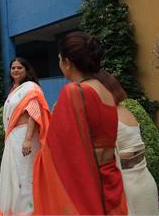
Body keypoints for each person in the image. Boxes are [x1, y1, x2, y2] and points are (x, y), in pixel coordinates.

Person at [33, 31, 128, 215]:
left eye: (60, 59)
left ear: (67, 62)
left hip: (87, 183)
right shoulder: (106, 92)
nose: (60, 63)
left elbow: (57, 148)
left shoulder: (74, 92)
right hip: (110, 179)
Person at [97, 71, 159, 215]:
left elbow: (98, 157)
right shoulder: (125, 111)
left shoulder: (108, 117)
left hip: (127, 185)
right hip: (144, 180)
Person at [0, 58, 51, 216]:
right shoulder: (15, 89)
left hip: (24, 136)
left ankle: (28, 211)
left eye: (19, 67)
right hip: (13, 137)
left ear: (27, 70)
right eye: (13, 67)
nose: (15, 70)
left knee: (25, 175)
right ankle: (14, 211)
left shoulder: (31, 88)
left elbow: (34, 113)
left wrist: (27, 139)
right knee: (13, 177)